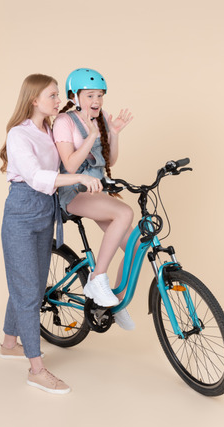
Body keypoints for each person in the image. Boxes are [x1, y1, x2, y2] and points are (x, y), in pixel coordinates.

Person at [0, 73, 103, 394]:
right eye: (53, 95)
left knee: (30, 281)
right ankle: (37, 369)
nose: (59, 100)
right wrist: (76, 181)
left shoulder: (52, 128)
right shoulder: (19, 134)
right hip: (21, 211)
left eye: (59, 95)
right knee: (28, 289)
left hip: (47, 209)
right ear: (34, 99)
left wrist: (92, 132)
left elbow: (71, 161)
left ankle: (8, 342)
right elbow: (34, 176)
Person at [53, 68, 135, 330]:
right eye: (90, 95)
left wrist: (114, 133)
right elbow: (70, 163)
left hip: (95, 192)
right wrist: (90, 137)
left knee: (134, 246)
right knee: (124, 213)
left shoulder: (102, 118)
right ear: (74, 96)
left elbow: (108, 161)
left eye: (99, 95)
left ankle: (115, 302)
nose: (96, 101)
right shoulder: (63, 122)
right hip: (72, 192)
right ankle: (97, 278)